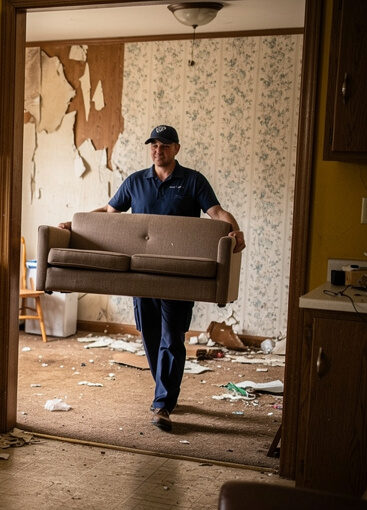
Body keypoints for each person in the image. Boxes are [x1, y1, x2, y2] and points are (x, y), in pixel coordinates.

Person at [62, 125, 245, 432]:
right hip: (141, 275)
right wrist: (75, 224)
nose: (158, 150)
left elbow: (217, 212)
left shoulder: (193, 181)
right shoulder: (135, 182)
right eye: (154, 145)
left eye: (165, 145)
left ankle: (162, 403)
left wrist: (235, 230)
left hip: (178, 275)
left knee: (172, 337)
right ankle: (166, 392)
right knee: (149, 335)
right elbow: (108, 212)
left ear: (176, 149)